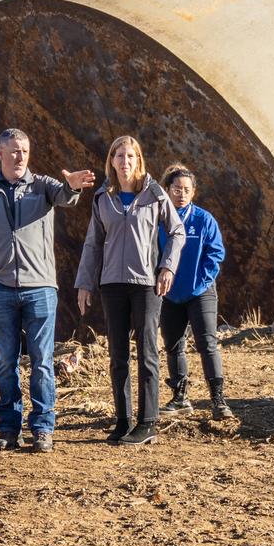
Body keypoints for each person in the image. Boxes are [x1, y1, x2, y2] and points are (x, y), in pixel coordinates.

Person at [0, 128, 96, 453]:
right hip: (1, 290)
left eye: (24, 150)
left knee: (41, 361)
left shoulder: (43, 186)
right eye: (14, 150)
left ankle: (43, 428)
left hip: (40, 288)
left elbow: (65, 196)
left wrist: (72, 185)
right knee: (6, 362)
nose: (20, 156)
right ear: (0, 153)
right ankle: (9, 428)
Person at [75, 136, 185, 444]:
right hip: (112, 284)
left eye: (130, 156)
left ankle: (147, 421)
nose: (125, 162)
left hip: (146, 284)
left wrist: (167, 267)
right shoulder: (102, 198)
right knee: (117, 354)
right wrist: (85, 283)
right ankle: (123, 420)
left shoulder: (154, 193)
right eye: (119, 156)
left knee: (148, 352)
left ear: (139, 161)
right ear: (111, 161)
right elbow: (93, 243)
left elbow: (177, 231)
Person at [158, 164, 232, 420]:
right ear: (167, 190)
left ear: (193, 193)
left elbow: (216, 253)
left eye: (186, 190)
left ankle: (218, 400)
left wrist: (201, 281)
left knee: (207, 344)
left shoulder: (203, 219)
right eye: (176, 189)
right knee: (173, 346)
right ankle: (180, 398)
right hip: (168, 293)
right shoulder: (158, 219)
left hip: (201, 291)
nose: (181, 194)